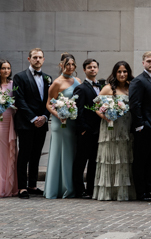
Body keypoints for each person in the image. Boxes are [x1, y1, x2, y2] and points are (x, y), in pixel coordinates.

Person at [94, 61, 136, 201]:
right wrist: (105, 117)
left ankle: (124, 191)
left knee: (124, 158)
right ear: (115, 73)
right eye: (119, 72)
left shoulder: (131, 87)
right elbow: (96, 107)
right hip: (111, 128)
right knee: (111, 157)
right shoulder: (107, 88)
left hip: (126, 128)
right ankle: (109, 192)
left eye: (125, 71)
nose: (122, 74)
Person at [13, 48, 52, 198]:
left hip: (42, 122)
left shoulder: (48, 78)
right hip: (26, 123)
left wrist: (44, 116)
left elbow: (50, 100)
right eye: (35, 57)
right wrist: (33, 118)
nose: (37, 60)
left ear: (43, 59)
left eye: (40, 57)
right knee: (24, 154)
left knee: (36, 155)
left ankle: (33, 185)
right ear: (29, 59)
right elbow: (19, 100)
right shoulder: (20, 77)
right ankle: (22, 187)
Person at [44, 53, 81, 199]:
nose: (70, 67)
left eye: (72, 64)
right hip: (60, 122)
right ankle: (59, 188)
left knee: (71, 153)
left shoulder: (78, 81)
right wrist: (58, 115)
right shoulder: (57, 83)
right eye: (67, 65)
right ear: (61, 65)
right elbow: (48, 104)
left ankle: (71, 186)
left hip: (73, 121)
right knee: (61, 153)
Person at [128, 51, 151, 202]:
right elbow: (134, 105)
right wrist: (140, 125)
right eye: (148, 61)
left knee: (150, 161)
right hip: (144, 128)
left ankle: (150, 189)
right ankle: (141, 192)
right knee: (140, 161)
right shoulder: (138, 81)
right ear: (143, 63)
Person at [73, 58, 104, 199]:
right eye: (89, 67)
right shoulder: (81, 88)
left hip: (99, 131)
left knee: (94, 162)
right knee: (80, 161)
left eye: (95, 67)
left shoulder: (102, 87)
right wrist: (83, 129)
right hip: (86, 131)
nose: (92, 69)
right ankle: (79, 190)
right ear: (84, 70)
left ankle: (91, 189)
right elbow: (77, 111)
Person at [0, 59, 18, 198]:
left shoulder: (13, 84)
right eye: (3, 68)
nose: (6, 71)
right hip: (0, 122)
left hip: (11, 122)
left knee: (11, 151)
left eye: (8, 68)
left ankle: (9, 186)